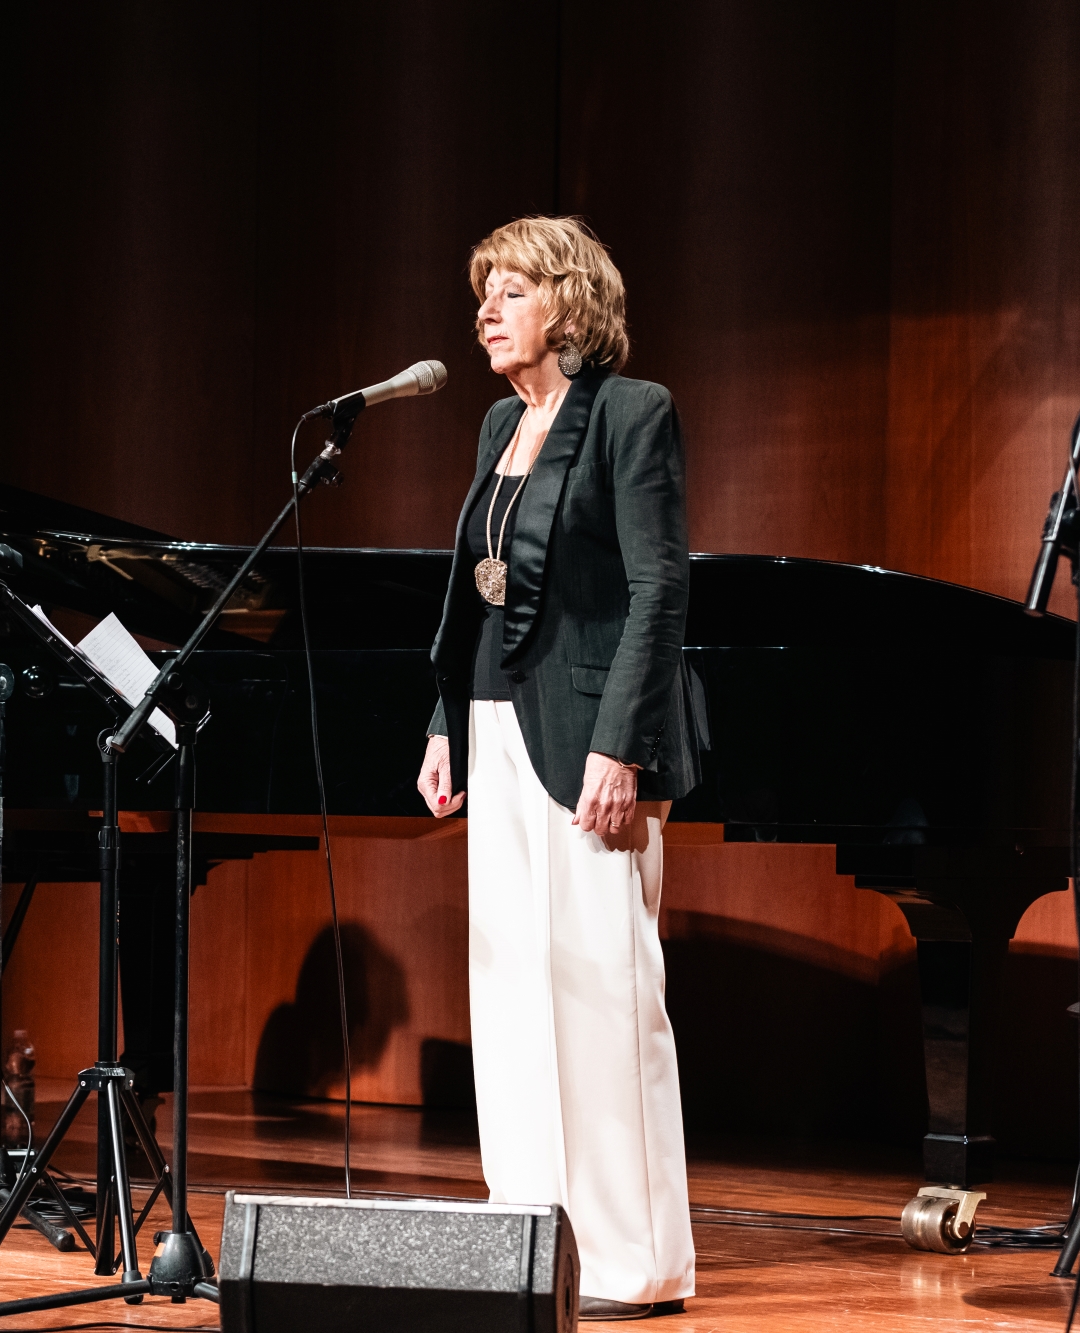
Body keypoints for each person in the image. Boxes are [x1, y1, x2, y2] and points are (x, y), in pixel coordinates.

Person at [417, 217, 704, 1321]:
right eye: (480, 290)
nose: (485, 309)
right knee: (510, 992)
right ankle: (523, 1235)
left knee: (601, 995)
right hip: (494, 729)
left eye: (510, 289)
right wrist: (444, 719)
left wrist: (618, 744)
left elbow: (656, 592)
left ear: (570, 301)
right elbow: (475, 595)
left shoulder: (634, 414)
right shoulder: (499, 418)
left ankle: (633, 1263)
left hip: (588, 742)